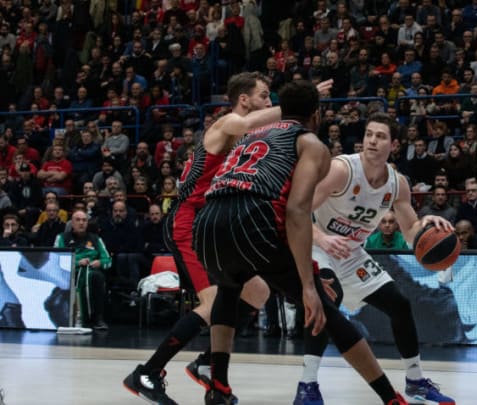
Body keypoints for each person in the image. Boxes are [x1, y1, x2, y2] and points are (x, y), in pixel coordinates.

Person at [193, 83, 409, 405]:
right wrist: (308, 285)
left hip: (207, 222)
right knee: (323, 309)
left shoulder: (252, 135)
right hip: (251, 221)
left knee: (229, 288)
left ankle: (218, 385)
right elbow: (297, 210)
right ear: (317, 115)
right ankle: (390, 398)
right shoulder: (312, 144)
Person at [124, 72, 310, 404]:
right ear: (244, 99)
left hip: (209, 223)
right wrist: (293, 107)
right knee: (211, 305)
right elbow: (250, 122)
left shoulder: (245, 137)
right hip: (187, 222)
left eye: (272, 98)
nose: (269, 102)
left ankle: (207, 362)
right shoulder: (225, 124)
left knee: (258, 290)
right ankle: (148, 372)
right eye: (265, 96)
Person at [292, 112, 454, 405]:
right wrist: (323, 238)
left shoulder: (397, 184)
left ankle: (416, 381)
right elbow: (298, 210)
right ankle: (307, 385)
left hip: (351, 252)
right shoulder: (342, 169)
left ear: (393, 145)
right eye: (369, 134)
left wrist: (428, 224)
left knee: (400, 304)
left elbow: (410, 231)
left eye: (380, 136)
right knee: (327, 298)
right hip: (316, 243)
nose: (372, 141)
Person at [54, 209, 112, 330]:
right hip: (70, 272)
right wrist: (75, 263)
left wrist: (100, 262)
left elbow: (108, 260)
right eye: (78, 220)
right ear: (72, 223)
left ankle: (98, 318)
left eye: (84, 220)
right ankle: (74, 317)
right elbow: (56, 259)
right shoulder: (62, 238)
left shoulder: (96, 239)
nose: (81, 223)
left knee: (97, 277)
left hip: (91, 271)